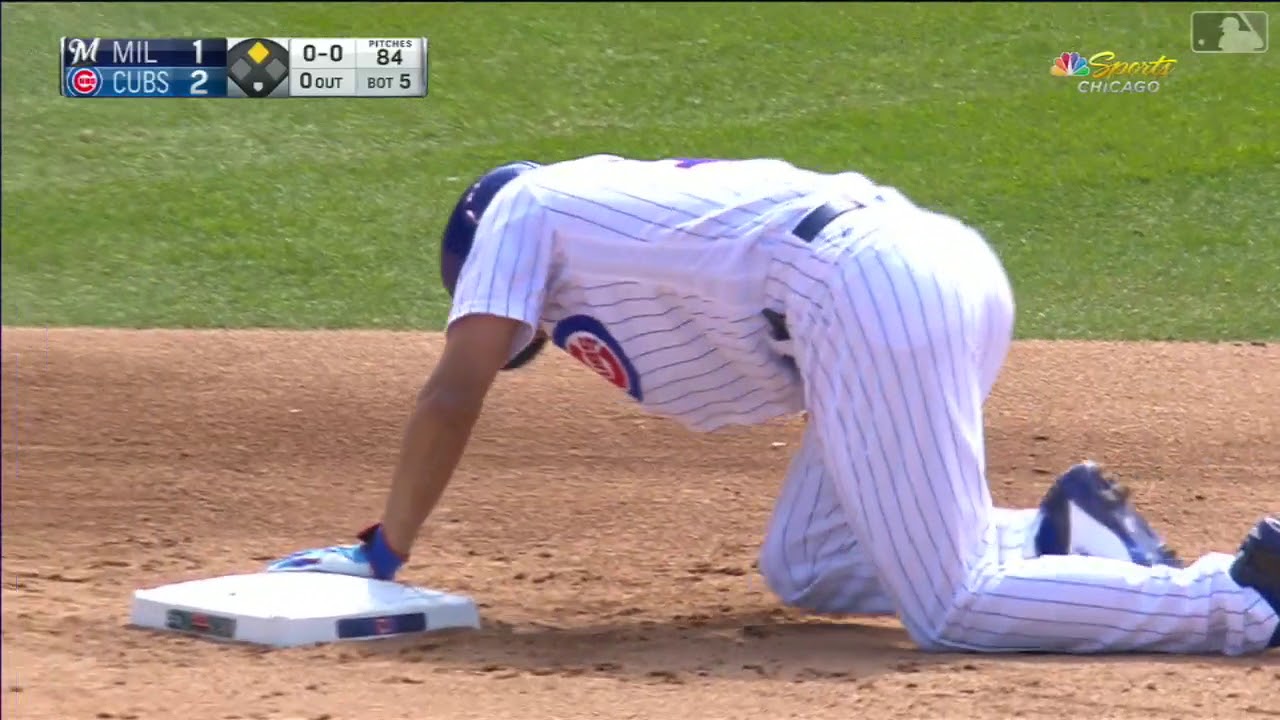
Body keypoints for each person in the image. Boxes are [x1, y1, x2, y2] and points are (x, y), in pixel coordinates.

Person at [267, 155, 1279, 655]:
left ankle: (1238, 601)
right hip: (916, 271)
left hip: (868, 289)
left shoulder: (519, 211)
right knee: (811, 561)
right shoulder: (602, 222)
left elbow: (453, 391)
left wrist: (383, 551)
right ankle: (1062, 537)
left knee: (951, 606)